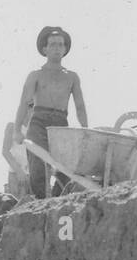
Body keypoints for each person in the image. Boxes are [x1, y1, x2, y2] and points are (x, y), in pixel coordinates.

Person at [15, 27, 88, 198]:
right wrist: (16, 130)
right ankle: (40, 206)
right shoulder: (35, 75)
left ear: (65, 49)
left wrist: (86, 130)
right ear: (45, 49)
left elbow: (80, 106)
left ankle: (56, 202)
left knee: (65, 169)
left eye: (60, 45)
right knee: (38, 168)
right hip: (39, 123)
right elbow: (24, 103)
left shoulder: (72, 77)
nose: (57, 48)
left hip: (61, 124)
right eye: (53, 44)